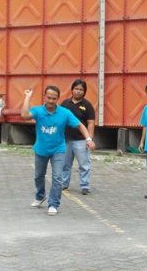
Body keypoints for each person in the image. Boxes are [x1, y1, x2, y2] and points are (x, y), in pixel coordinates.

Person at [21, 85, 96, 216]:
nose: (51, 101)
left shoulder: (64, 113)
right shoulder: (38, 111)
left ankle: (53, 203)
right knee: (38, 176)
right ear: (44, 97)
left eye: (54, 98)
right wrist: (27, 97)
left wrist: (88, 139)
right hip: (41, 149)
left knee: (57, 177)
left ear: (58, 99)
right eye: (48, 98)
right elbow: (24, 115)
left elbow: (80, 125)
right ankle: (40, 196)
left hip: (59, 149)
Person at [60, 79, 96, 195]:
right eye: (76, 89)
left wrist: (89, 139)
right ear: (72, 90)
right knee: (65, 164)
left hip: (81, 140)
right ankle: (63, 184)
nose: (78, 91)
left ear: (84, 92)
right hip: (66, 140)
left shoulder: (87, 105)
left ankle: (85, 186)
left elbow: (90, 123)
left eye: (81, 89)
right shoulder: (65, 104)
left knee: (84, 165)